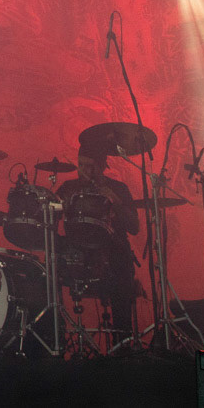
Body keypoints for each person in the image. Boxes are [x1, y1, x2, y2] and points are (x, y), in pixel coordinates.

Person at [57, 144, 140, 336]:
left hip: (112, 255)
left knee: (122, 273)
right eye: (81, 165)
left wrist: (116, 201)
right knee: (46, 272)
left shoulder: (118, 188)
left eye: (90, 166)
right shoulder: (69, 188)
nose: (84, 171)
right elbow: (49, 219)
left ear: (102, 166)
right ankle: (55, 336)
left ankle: (123, 342)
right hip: (76, 254)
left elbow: (134, 227)